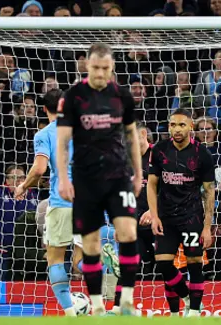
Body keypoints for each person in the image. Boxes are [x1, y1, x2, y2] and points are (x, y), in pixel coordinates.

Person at [56, 43, 143, 316]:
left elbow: (132, 136)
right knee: (91, 245)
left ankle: (125, 301)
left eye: (105, 69)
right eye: (95, 68)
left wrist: (139, 173)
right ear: (87, 65)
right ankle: (96, 306)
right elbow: (62, 143)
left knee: (129, 233)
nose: (100, 73)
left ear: (112, 68)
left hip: (118, 177)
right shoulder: (72, 97)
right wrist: (62, 179)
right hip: (85, 180)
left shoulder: (122, 96)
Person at [14, 89, 80, 316]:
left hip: (62, 201)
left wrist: (23, 186)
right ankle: (108, 266)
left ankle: (71, 313)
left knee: (55, 259)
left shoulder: (45, 134)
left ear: (44, 109)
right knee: (80, 261)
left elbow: (40, 169)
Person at [147, 108, 216, 317]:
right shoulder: (159, 150)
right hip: (166, 218)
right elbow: (151, 184)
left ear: (191, 127)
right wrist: (154, 215)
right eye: (173, 125)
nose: (176, 129)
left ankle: (194, 312)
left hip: (191, 217)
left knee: (195, 263)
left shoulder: (202, 153)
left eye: (181, 125)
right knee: (163, 263)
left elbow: (209, 191)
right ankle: (187, 297)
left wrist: (207, 227)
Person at [109, 122, 154, 314]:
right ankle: (118, 306)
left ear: (143, 134)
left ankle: (187, 304)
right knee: (129, 263)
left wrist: (154, 210)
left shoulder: (160, 155)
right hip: (133, 223)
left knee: (165, 264)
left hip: (159, 222)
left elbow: (171, 188)